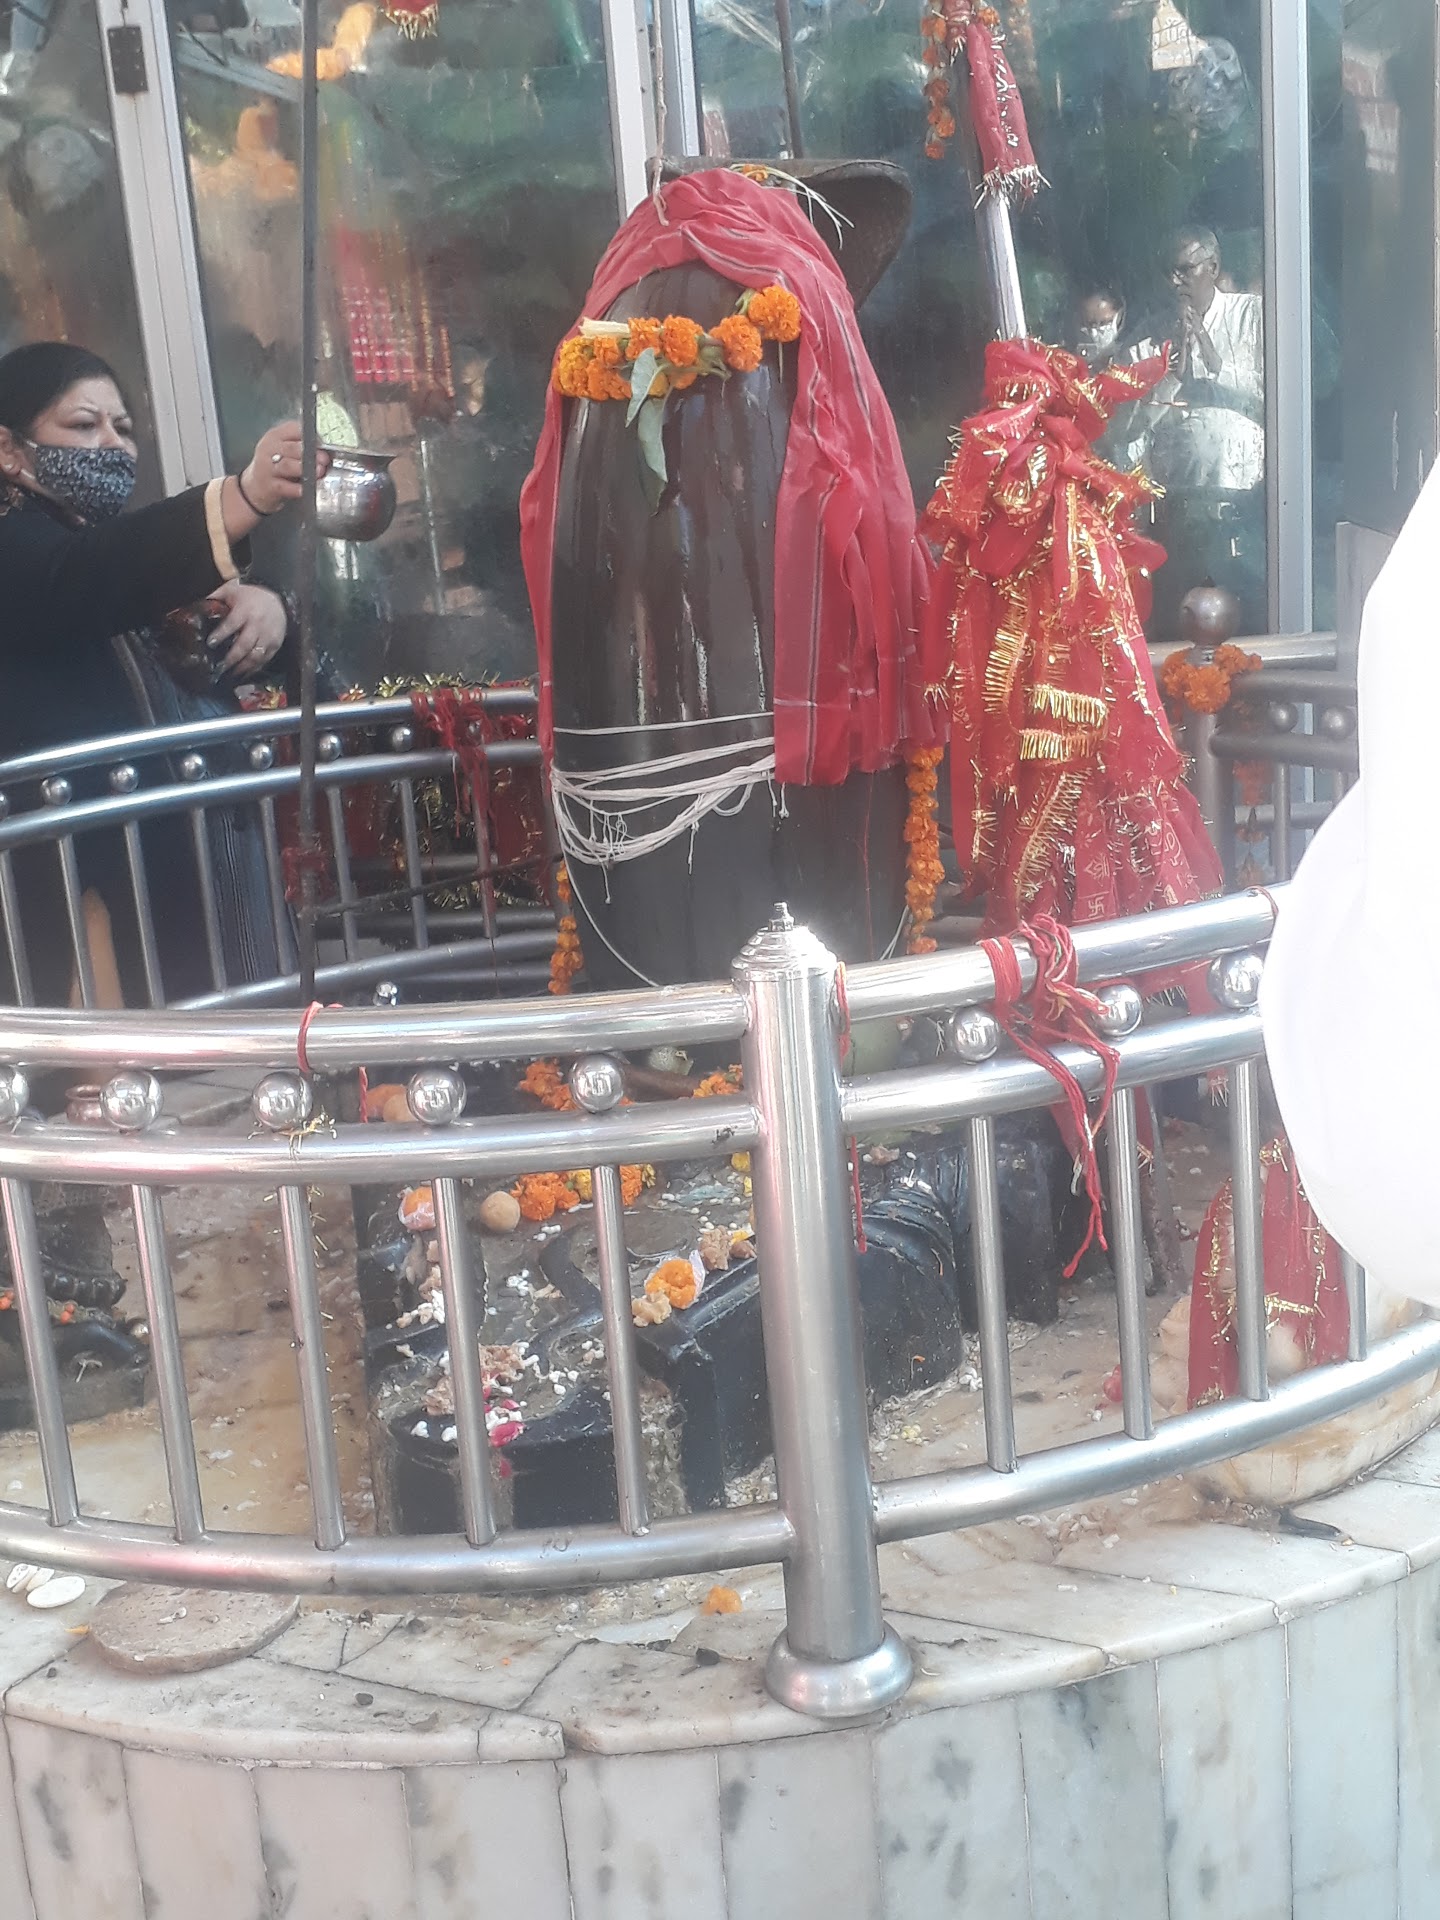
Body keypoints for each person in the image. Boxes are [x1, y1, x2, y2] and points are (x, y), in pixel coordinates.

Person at [0, 340, 320, 1007]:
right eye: (83, 424)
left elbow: (177, 618)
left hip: (201, 862)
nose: (113, 445)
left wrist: (270, 612)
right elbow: (89, 577)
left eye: (123, 427)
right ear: (8, 450)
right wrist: (244, 496)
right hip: (77, 889)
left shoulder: (106, 548)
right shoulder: (26, 549)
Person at [1131, 225, 1266, 635]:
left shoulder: (1254, 317)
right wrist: (1169, 375)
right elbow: (1128, 431)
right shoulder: (1149, 337)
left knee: (1247, 633)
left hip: (1249, 507)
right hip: (1179, 514)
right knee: (1183, 630)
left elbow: (1282, 393)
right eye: (1168, 272)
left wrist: (1214, 360)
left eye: (1184, 270)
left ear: (1214, 267)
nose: (1175, 282)